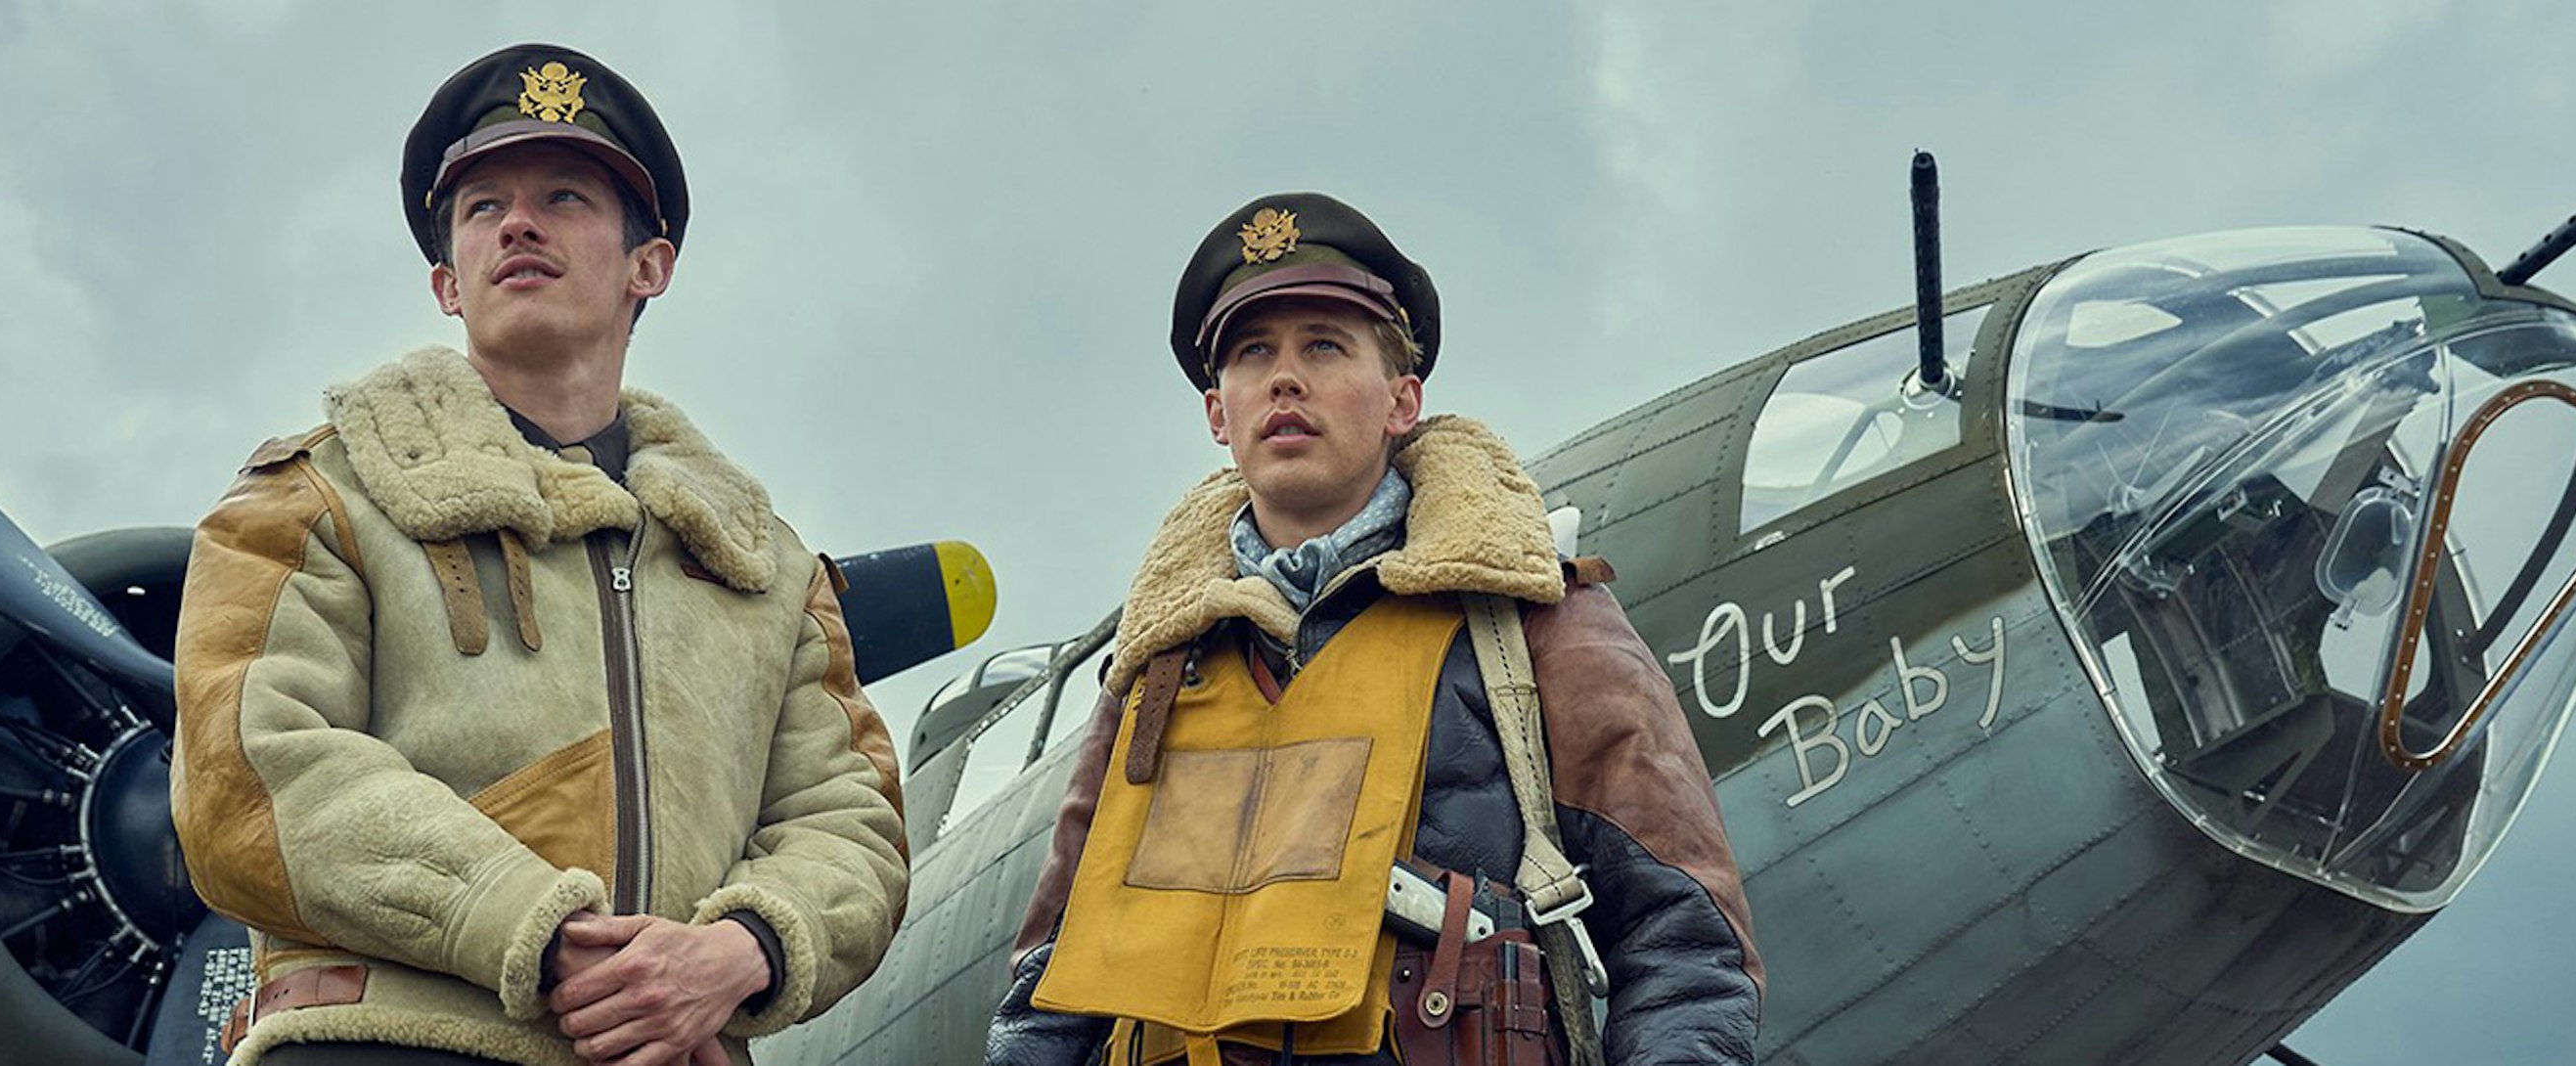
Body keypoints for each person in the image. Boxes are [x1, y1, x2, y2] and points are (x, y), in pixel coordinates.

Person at [171, 43, 907, 1066]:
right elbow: (247, 776)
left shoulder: (769, 574)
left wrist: (736, 950)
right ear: (447, 282)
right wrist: (538, 926)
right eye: (482, 208)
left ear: (649, 266)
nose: (517, 222)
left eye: (564, 196)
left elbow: (852, 827)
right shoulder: (314, 494)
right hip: (384, 1046)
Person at [987, 194, 1760, 1065]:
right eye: (1253, 353)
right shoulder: (1158, 669)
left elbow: (1683, 944)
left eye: (1324, 343)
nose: (1285, 378)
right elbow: (1052, 994)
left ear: (1403, 399)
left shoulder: (1540, 623)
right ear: (1218, 415)